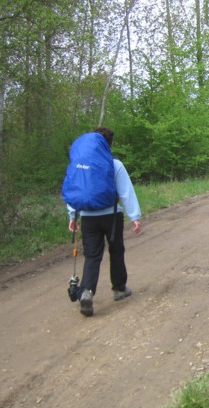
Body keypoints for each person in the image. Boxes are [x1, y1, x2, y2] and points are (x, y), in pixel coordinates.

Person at [67, 127, 142, 317]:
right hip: (111, 216)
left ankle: (86, 291)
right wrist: (135, 216)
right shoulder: (114, 164)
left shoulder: (79, 163)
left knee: (92, 256)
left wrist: (72, 215)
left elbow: (74, 190)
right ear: (109, 144)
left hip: (87, 217)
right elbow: (125, 192)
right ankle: (119, 289)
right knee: (116, 250)